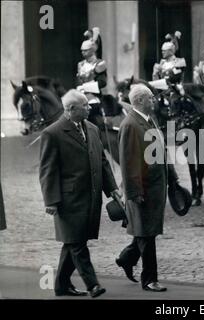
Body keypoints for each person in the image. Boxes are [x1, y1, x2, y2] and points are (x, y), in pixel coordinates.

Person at [39, 89, 120, 298]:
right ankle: (93, 284)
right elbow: (48, 170)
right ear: (71, 109)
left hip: (90, 197)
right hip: (68, 200)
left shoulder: (92, 129)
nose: (89, 107)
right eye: (85, 105)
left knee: (74, 241)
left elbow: (102, 162)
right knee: (77, 243)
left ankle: (61, 285)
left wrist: (112, 189)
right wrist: (51, 201)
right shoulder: (52, 133)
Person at [116, 84, 170, 292]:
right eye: (150, 98)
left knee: (146, 231)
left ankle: (126, 259)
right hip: (143, 190)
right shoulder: (130, 125)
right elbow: (129, 162)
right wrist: (134, 192)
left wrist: (171, 179)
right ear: (139, 101)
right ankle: (149, 279)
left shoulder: (148, 121)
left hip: (155, 187)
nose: (154, 100)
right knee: (147, 233)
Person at [76, 27, 107, 109]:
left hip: (94, 97)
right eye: (82, 50)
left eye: (85, 50)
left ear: (92, 50)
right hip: (80, 95)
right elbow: (79, 81)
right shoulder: (80, 64)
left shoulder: (100, 63)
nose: (83, 52)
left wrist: (85, 87)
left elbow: (102, 82)